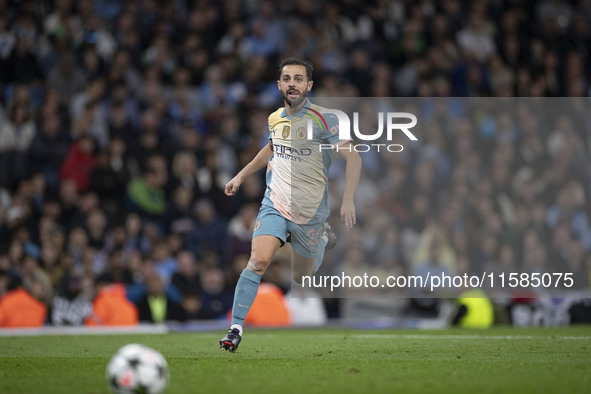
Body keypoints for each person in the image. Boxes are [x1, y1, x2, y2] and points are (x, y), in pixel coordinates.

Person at [219, 58, 361, 352]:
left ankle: (320, 235)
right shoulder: (274, 119)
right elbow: (271, 148)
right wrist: (241, 176)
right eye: (287, 78)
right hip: (275, 203)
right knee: (258, 261)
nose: (292, 83)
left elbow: (354, 157)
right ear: (279, 84)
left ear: (309, 85)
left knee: (301, 276)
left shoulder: (325, 120)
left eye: (298, 79)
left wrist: (347, 199)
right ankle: (235, 328)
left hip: (310, 210)